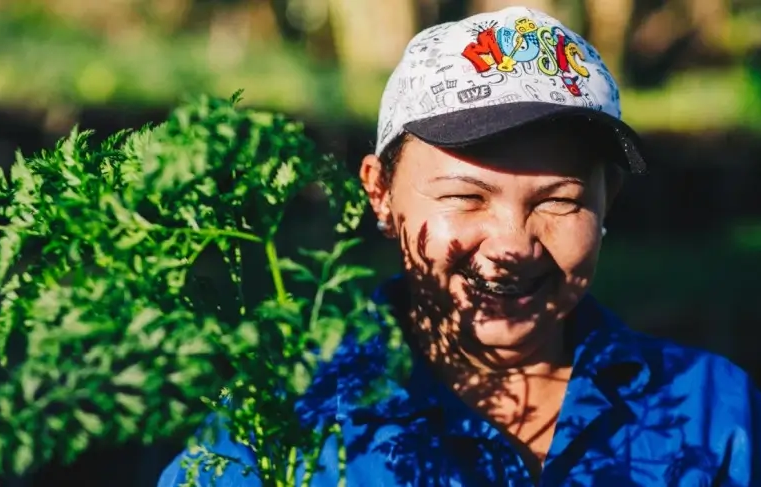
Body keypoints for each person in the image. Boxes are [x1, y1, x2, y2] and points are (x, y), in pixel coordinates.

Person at [158, 6, 761, 486]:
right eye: (465, 197)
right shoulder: (282, 421)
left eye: (559, 201)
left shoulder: (713, 411)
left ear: (610, 201)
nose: (511, 246)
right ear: (380, 194)